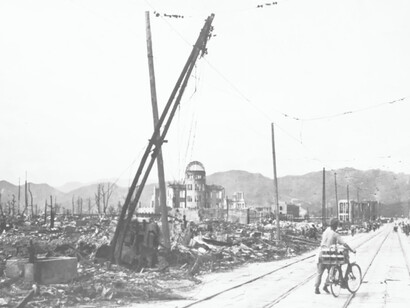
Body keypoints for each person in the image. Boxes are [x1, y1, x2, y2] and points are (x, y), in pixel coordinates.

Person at [314, 218, 356, 294]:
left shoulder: (326, 231)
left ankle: (316, 288)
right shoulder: (335, 234)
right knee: (332, 271)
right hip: (328, 255)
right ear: (335, 226)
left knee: (319, 272)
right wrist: (352, 250)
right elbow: (344, 244)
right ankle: (326, 285)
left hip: (321, 253)